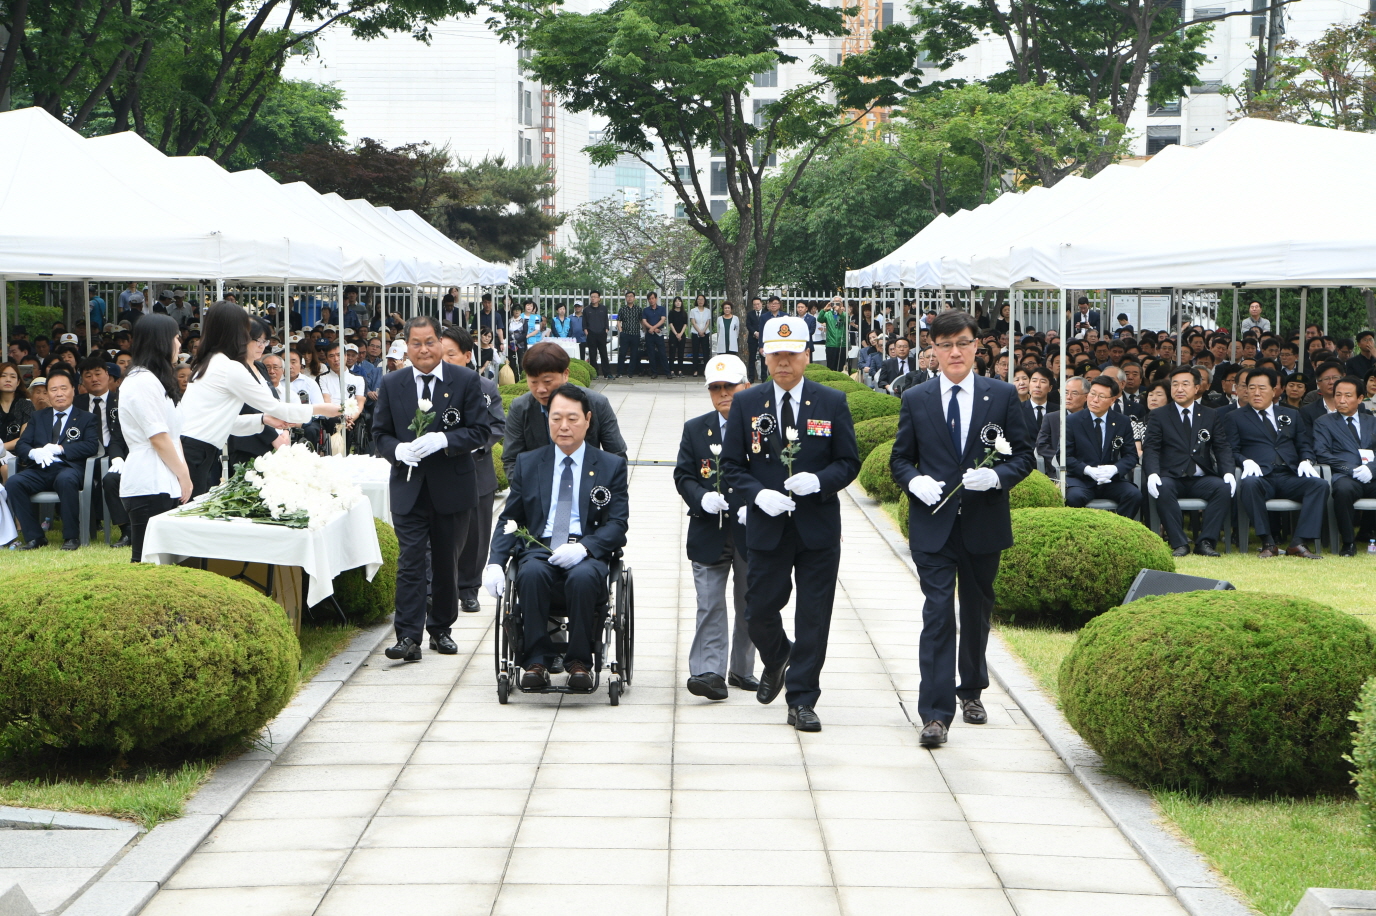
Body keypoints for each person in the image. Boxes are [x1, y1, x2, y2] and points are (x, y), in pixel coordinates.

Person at [890, 309, 1033, 748]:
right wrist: (915, 481)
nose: (955, 352)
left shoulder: (1003, 395)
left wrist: (997, 477)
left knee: (975, 610)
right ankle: (935, 714)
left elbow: (1023, 455)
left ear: (977, 347)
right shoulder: (917, 398)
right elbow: (899, 459)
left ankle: (971, 688)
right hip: (933, 525)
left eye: (963, 343)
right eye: (945, 344)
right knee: (937, 614)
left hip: (982, 523)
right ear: (932, 349)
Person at [721, 315, 860, 732]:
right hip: (767, 525)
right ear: (764, 357)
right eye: (776, 354)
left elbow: (849, 461)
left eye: (792, 353)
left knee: (813, 616)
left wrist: (819, 481)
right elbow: (731, 464)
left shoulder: (831, 401)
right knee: (758, 609)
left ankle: (801, 700)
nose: (784, 362)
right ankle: (780, 655)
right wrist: (757, 493)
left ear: (808, 355)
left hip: (817, 527)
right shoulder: (747, 403)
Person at [484, 384, 630, 689]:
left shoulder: (609, 465)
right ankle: (536, 660)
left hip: (585, 547)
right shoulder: (529, 463)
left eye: (573, 419)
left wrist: (587, 547)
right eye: (556, 418)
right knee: (532, 572)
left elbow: (617, 524)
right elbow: (511, 517)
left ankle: (579, 661)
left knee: (583, 578)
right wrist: (495, 562)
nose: (564, 426)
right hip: (541, 544)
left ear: (588, 420)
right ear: (547, 419)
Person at [373, 315, 492, 661]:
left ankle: (441, 628)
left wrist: (444, 439)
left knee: (444, 561)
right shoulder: (393, 383)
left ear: (441, 342)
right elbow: (380, 433)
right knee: (410, 561)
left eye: (429, 342)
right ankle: (407, 636)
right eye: (415, 343)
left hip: (451, 487)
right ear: (405, 347)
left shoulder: (466, 380)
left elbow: (480, 431)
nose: (423, 350)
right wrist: (397, 450)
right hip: (409, 488)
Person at [179, 302, 337, 495]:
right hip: (196, 450)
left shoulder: (210, 361)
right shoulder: (229, 367)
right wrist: (320, 409)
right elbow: (274, 407)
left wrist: (262, 419)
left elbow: (223, 420)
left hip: (193, 447)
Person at [674, 354, 758, 700]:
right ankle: (708, 671)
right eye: (716, 388)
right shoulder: (696, 428)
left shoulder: (761, 426)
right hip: (709, 529)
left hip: (750, 529)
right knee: (709, 602)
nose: (723, 394)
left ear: (746, 387)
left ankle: (742, 668)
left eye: (730, 387)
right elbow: (683, 475)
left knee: (749, 602)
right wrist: (701, 498)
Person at [439, 325, 507, 614]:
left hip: (477, 470)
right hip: (441, 472)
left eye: (450, 355)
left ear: (467, 356)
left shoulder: (486, 387)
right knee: (442, 534)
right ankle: (440, 589)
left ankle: (469, 588)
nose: (443, 361)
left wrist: (476, 445)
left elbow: (497, 426)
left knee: (476, 535)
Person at [1226, 367, 1327, 558]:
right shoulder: (1234, 417)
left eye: (1262, 388)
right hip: (1261, 476)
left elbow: (1304, 444)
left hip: (1289, 475)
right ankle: (1268, 542)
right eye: (1252, 387)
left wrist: (1306, 460)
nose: (1256, 393)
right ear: (1245, 390)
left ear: (1274, 391)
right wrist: (1244, 460)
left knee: (1319, 485)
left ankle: (1298, 542)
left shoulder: (1292, 414)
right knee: (1249, 484)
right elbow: (1231, 450)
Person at [117, 315, 194, 562]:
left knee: (167, 564)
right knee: (145, 563)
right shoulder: (141, 381)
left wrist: (183, 474)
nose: (179, 344)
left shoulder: (157, 379)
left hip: (165, 479)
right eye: (175, 337)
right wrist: (184, 475)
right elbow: (158, 438)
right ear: (161, 340)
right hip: (149, 480)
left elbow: (172, 435)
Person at [1143, 367, 1235, 558]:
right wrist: (1152, 473)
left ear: (1196, 388)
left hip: (1201, 477)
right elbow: (1151, 447)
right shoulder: (1159, 415)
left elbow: (1222, 446)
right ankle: (1179, 543)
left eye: (1185, 384)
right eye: (1175, 384)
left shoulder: (1210, 414)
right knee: (1163, 487)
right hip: (1171, 476)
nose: (1179, 389)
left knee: (1222, 488)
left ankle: (1206, 542)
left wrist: (1228, 472)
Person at [4, 366, 98, 550]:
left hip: (68, 469)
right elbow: (23, 443)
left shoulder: (86, 418)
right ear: (47, 394)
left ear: (74, 390)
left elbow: (91, 445)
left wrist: (61, 448)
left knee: (65, 479)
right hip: (39, 469)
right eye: (53, 390)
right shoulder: (38, 417)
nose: (59, 394)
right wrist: (33, 453)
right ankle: (35, 537)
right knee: (14, 483)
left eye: (64, 388)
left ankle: (71, 537)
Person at [1313, 376, 1376, 556]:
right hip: (1345, 476)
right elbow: (1322, 453)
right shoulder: (1324, 422)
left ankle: (1369, 533)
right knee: (1342, 490)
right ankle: (1348, 542)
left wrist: (1371, 469)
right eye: (1338, 395)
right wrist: (1351, 469)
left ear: (1360, 398)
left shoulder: (1372, 421)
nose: (1341, 400)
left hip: (1372, 475)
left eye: (1348, 395)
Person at [1064, 376, 1142, 518]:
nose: (1095, 400)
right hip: (1082, 480)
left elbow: (1131, 455)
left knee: (1133, 495)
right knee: (1073, 497)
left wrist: (1114, 469)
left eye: (1101, 396)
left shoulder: (1122, 422)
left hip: (1110, 480)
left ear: (1112, 400)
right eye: (1092, 394)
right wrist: (1086, 470)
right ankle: (1083, 536)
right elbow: (1064, 455)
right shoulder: (1072, 421)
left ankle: (1117, 534)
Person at [75, 356, 131, 546]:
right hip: (85, 454)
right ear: (82, 380)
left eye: (98, 374)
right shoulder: (76, 404)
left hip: (116, 453)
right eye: (88, 375)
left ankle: (126, 529)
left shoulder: (122, 401)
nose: (94, 379)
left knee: (109, 479)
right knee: (82, 478)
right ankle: (89, 527)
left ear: (108, 375)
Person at [227, 318, 288, 474]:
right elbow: (249, 407)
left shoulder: (260, 366)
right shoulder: (235, 368)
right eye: (258, 341)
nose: (262, 346)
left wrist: (284, 431)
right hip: (248, 444)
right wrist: (274, 437)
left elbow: (272, 401)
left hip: (274, 439)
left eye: (265, 341)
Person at [0, 361, 32, 453]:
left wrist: (1, 448)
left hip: (17, 455)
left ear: (18, 382)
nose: (8, 380)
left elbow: (24, 438)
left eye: (13, 377)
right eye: (3, 375)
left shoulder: (26, 404)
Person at [583, 291, 611, 378]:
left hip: (602, 333)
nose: (593, 298)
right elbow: (584, 322)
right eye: (591, 297)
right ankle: (595, 374)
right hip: (591, 334)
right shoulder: (587, 309)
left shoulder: (603, 308)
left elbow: (606, 320)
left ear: (599, 298)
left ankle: (607, 373)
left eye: (595, 297)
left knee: (604, 354)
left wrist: (606, 328)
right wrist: (585, 330)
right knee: (592, 354)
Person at [641, 291, 669, 378]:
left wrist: (654, 328)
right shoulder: (645, 310)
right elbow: (644, 321)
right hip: (649, 334)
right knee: (651, 354)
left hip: (659, 334)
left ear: (656, 299)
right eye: (650, 299)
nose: (651, 300)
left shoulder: (661, 309)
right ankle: (654, 372)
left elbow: (662, 320)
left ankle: (667, 372)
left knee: (662, 353)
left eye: (653, 298)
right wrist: (651, 328)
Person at [616, 292, 642, 379]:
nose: (629, 298)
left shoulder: (638, 309)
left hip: (635, 334)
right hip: (625, 334)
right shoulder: (622, 309)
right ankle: (619, 372)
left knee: (634, 354)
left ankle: (630, 372)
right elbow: (619, 321)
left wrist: (644, 331)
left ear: (634, 298)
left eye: (631, 296)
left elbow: (641, 321)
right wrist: (621, 331)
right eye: (628, 296)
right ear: (626, 298)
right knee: (622, 353)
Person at [689, 294, 713, 376]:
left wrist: (703, 331)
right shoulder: (693, 310)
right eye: (699, 299)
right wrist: (699, 331)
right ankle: (695, 370)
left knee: (706, 352)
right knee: (695, 352)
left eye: (702, 299)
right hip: (696, 333)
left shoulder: (708, 311)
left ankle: (706, 370)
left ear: (704, 301)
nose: (700, 301)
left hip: (705, 333)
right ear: (696, 301)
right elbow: (693, 322)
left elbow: (708, 322)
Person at [667, 296, 689, 377]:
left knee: (681, 353)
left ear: (681, 303)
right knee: (672, 353)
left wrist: (680, 334)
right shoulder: (671, 312)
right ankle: (672, 371)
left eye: (679, 301)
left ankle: (680, 371)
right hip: (673, 335)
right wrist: (676, 334)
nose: (678, 302)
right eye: (676, 301)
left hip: (682, 335)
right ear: (674, 303)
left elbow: (685, 324)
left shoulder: (684, 313)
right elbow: (671, 324)